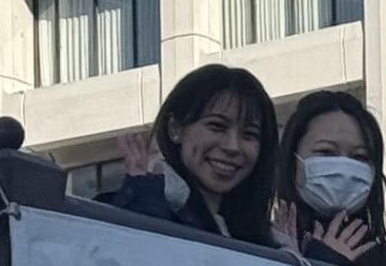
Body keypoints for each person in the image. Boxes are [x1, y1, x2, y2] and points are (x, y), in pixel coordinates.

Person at [101, 64, 277, 245]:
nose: (232, 146)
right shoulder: (127, 206)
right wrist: (141, 200)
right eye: (217, 126)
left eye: (249, 134)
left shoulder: (264, 238)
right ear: (175, 128)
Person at [269, 90, 386, 266]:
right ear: (292, 161)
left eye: (359, 157)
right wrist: (320, 263)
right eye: (326, 152)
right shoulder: (261, 244)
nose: (344, 167)